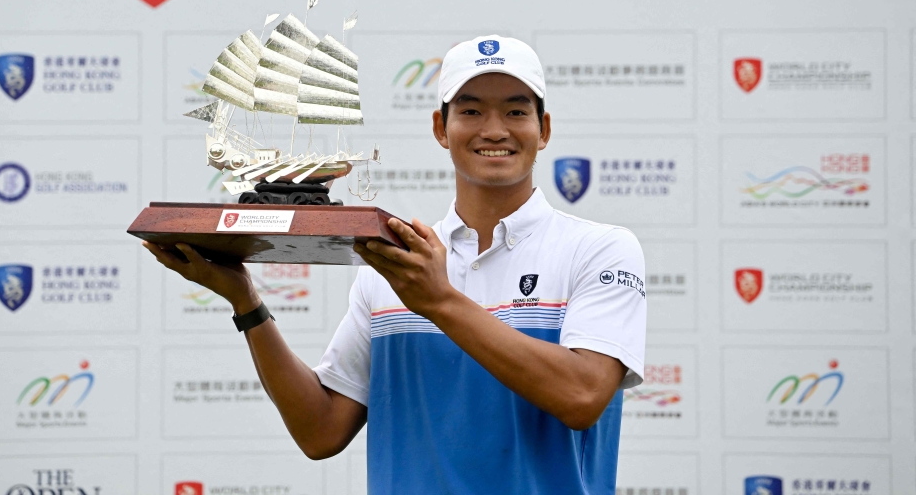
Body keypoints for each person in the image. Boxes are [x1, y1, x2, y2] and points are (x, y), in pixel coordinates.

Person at [144, 35, 647, 495]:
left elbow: (582, 396)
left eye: (516, 112)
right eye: (470, 111)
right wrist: (245, 301)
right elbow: (320, 431)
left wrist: (439, 302)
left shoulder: (599, 249)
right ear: (440, 128)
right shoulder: (393, 268)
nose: (495, 130)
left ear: (544, 130)